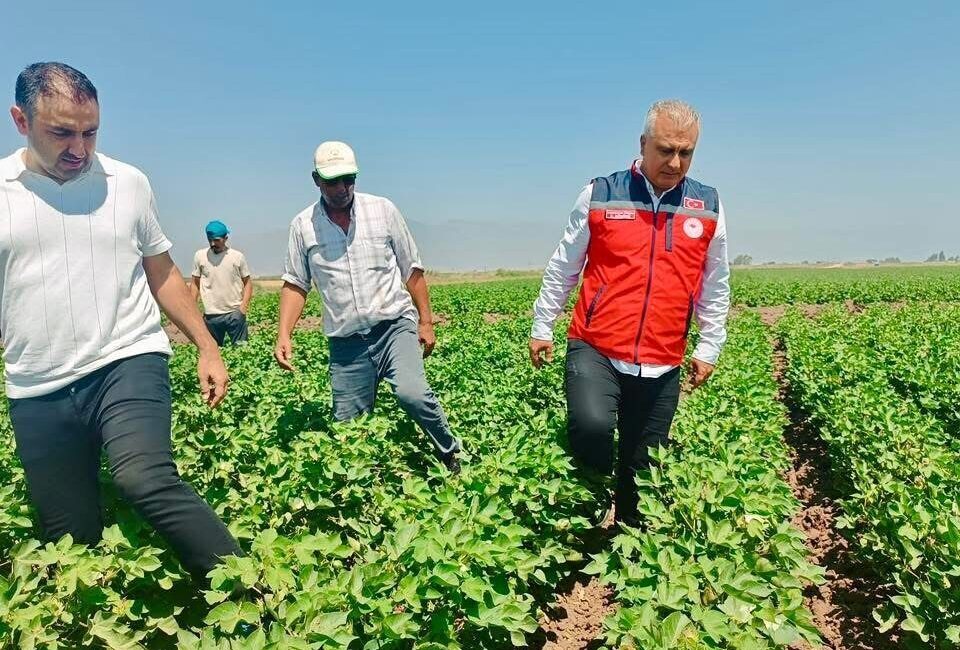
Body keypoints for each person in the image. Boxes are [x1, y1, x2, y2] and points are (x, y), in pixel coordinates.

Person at [1, 62, 241, 578]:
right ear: (21, 121)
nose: (78, 149)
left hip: (125, 359)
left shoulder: (127, 183)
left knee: (144, 477)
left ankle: (252, 594)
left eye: (90, 132)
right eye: (61, 132)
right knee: (67, 538)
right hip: (37, 383)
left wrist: (206, 343)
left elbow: (161, 270)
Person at [529, 99, 730, 526]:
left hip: (662, 358)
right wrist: (543, 323)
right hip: (596, 344)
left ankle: (629, 549)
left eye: (686, 152)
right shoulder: (601, 193)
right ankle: (592, 492)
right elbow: (565, 264)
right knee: (592, 424)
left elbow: (715, 281)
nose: (675, 162)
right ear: (643, 144)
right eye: (665, 149)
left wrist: (710, 345)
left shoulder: (708, 205)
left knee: (644, 468)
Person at [274, 141, 462, 473]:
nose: (342, 188)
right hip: (346, 342)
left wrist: (426, 321)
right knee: (350, 431)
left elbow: (411, 269)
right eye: (332, 181)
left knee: (412, 393)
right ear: (316, 180)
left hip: (393, 325)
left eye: (348, 179)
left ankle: (451, 454)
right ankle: (371, 488)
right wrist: (284, 334)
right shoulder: (302, 226)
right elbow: (295, 284)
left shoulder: (383, 210)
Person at [191, 220, 253, 346]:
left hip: (234, 314)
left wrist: (242, 309)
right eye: (210, 240)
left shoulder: (237, 256)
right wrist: (192, 310)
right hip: (211, 316)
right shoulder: (200, 256)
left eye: (217, 240)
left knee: (242, 352)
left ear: (226, 238)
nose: (213, 243)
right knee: (212, 354)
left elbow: (248, 283)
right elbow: (194, 284)